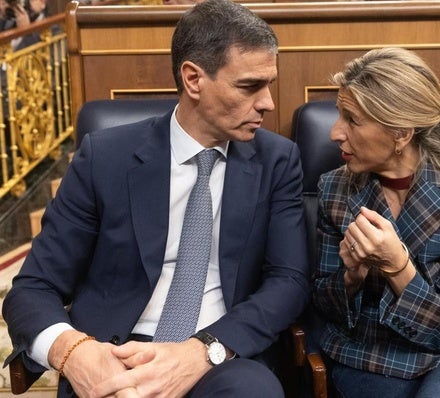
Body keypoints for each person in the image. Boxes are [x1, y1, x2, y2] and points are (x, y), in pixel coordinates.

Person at [2, 0, 309, 397]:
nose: (268, 102)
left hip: (219, 359)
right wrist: (75, 354)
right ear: (193, 79)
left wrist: (203, 351)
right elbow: (33, 287)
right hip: (112, 354)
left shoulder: (277, 161)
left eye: (269, 84)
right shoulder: (105, 158)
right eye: (250, 86)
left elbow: (289, 282)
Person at [311, 47, 440, 398]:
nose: (335, 133)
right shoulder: (334, 189)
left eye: (352, 119)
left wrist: (397, 267)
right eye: (338, 115)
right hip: (370, 352)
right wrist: (351, 277)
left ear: (401, 134)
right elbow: (324, 307)